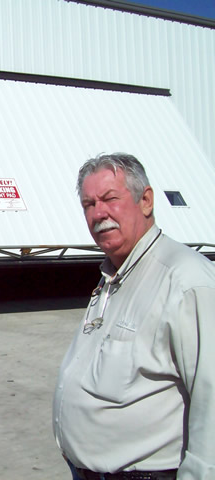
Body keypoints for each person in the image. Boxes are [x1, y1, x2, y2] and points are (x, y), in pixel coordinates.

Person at [52, 153, 215, 480]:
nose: (99, 214)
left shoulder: (185, 280)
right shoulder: (113, 274)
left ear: (146, 201)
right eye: (88, 204)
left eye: (110, 198)